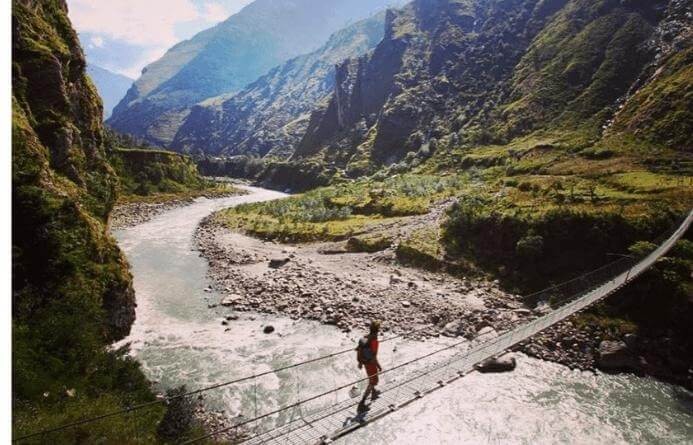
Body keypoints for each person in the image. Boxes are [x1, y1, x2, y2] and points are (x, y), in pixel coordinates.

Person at [356, 320, 382, 413]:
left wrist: (360, 362)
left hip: (365, 362)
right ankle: (362, 403)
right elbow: (374, 357)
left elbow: (359, 349)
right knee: (374, 381)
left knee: (371, 378)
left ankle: (374, 392)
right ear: (378, 330)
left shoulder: (365, 338)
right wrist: (379, 366)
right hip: (371, 363)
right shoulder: (374, 341)